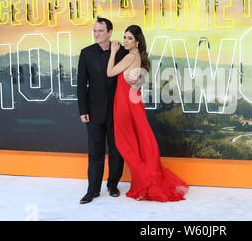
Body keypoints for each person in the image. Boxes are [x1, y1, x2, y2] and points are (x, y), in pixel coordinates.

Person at [107, 25, 189, 202]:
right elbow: (140, 79)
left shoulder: (130, 56)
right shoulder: (140, 57)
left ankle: (147, 181)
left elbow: (110, 72)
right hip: (134, 103)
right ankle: (145, 182)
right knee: (140, 142)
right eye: (124, 37)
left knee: (128, 144)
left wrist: (113, 51)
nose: (125, 41)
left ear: (137, 40)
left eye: (129, 38)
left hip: (126, 104)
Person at [77, 17, 140, 204]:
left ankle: (113, 185)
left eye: (100, 31)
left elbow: (140, 65)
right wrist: (83, 110)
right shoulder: (86, 53)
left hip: (118, 109)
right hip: (94, 111)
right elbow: (81, 84)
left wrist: (139, 79)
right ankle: (92, 190)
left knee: (116, 150)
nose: (96, 34)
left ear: (110, 32)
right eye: (94, 31)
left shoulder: (122, 51)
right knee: (95, 151)